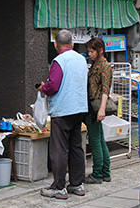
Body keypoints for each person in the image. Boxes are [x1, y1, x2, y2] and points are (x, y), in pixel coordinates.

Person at [37, 29, 88, 199]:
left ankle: (59, 186)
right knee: (76, 147)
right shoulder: (81, 59)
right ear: (72, 44)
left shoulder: (59, 61)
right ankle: (77, 184)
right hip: (80, 107)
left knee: (59, 148)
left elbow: (53, 86)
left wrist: (43, 87)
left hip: (63, 109)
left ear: (56, 45)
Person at [84, 37, 113, 185]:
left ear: (101, 50)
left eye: (92, 50)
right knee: (100, 139)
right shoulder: (96, 64)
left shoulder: (104, 66)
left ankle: (97, 174)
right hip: (94, 107)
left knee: (95, 141)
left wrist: (101, 109)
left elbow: (105, 90)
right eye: (89, 51)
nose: (90, 54)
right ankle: (105, 172)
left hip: (95, 107)